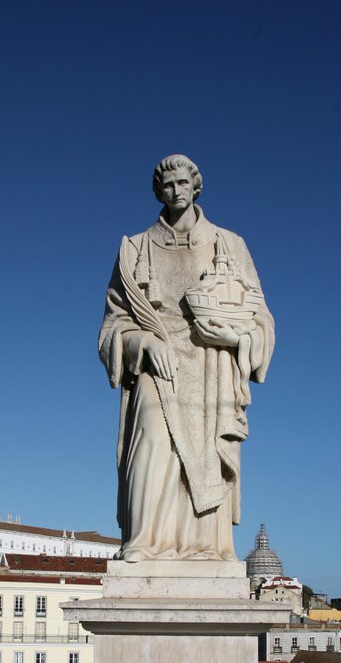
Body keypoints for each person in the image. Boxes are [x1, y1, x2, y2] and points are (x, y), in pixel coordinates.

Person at [99, 154, 274, 562]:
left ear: (196, 187)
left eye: (182, 183)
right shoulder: (134, 248)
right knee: (152, 446)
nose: (175, 191)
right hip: (154, 363)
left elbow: (260, 314)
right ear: (157, 191)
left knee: (207, 453)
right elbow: (112, 322)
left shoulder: (230, 244)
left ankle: (204, 546)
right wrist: (140, 344)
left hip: (212, 363)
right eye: (167, 185)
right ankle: (144, 541)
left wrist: (234, 337)